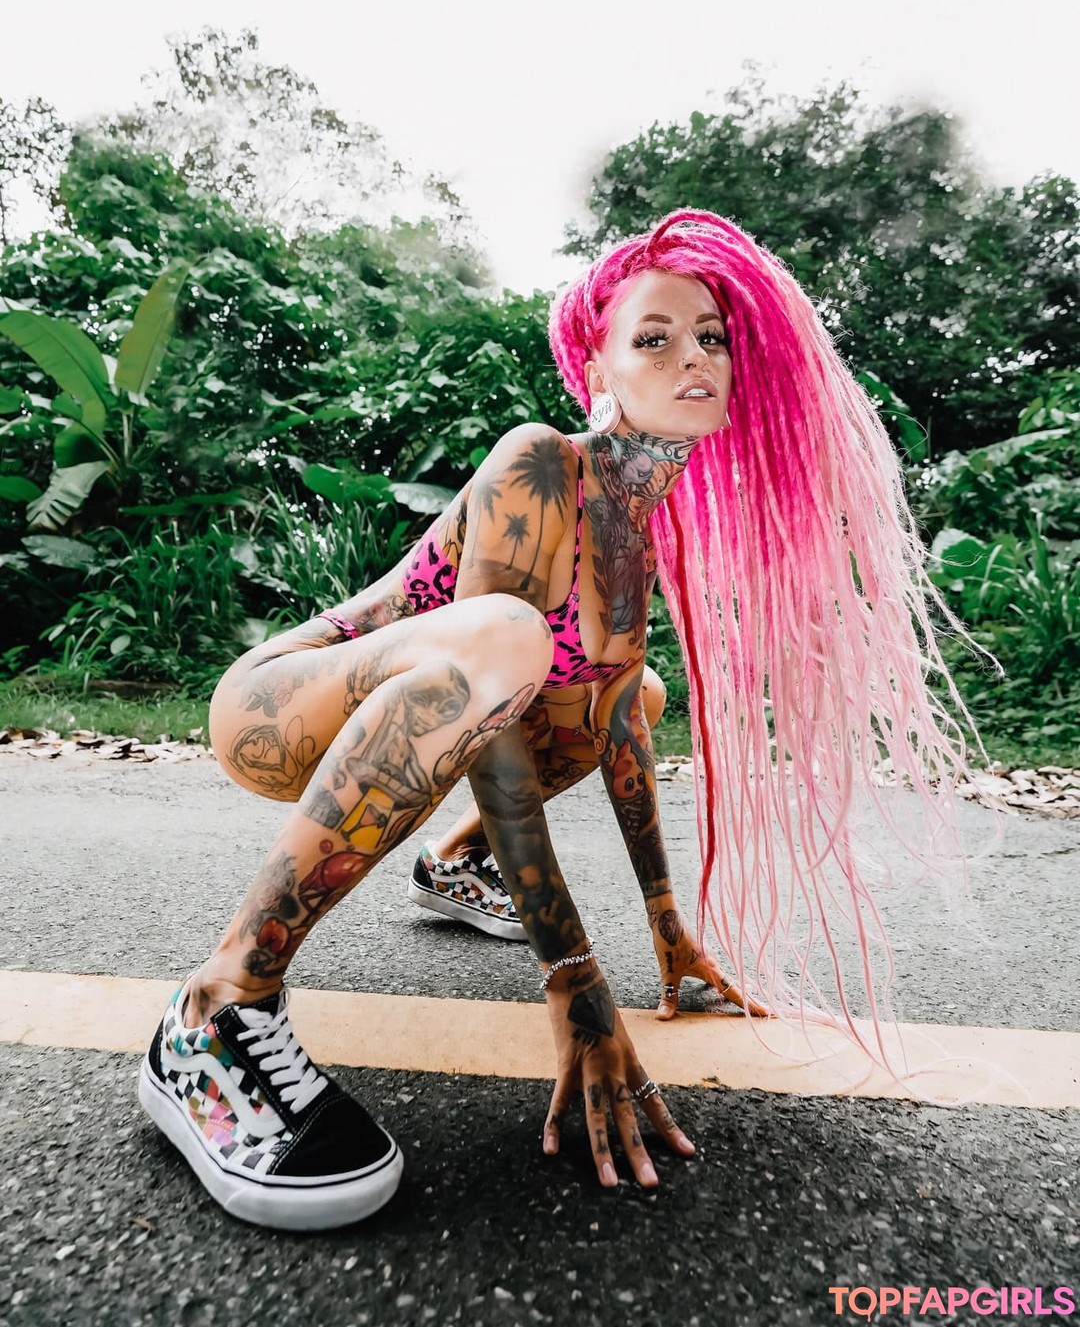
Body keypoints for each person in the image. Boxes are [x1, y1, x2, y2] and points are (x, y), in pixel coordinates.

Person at [139, 208, 988, 1231]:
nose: (693, 357)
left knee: (635, 692)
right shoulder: (541, 463)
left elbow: (621, 726)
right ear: (599, 373)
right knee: (507, 640)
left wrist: (670, 931)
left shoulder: (639, 529)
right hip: (284, 699)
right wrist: (573, 976)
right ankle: (217, 1006)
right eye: (654, 338)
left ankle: (458, 866)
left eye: (712, 337)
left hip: (414, 716)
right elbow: (491, 710)